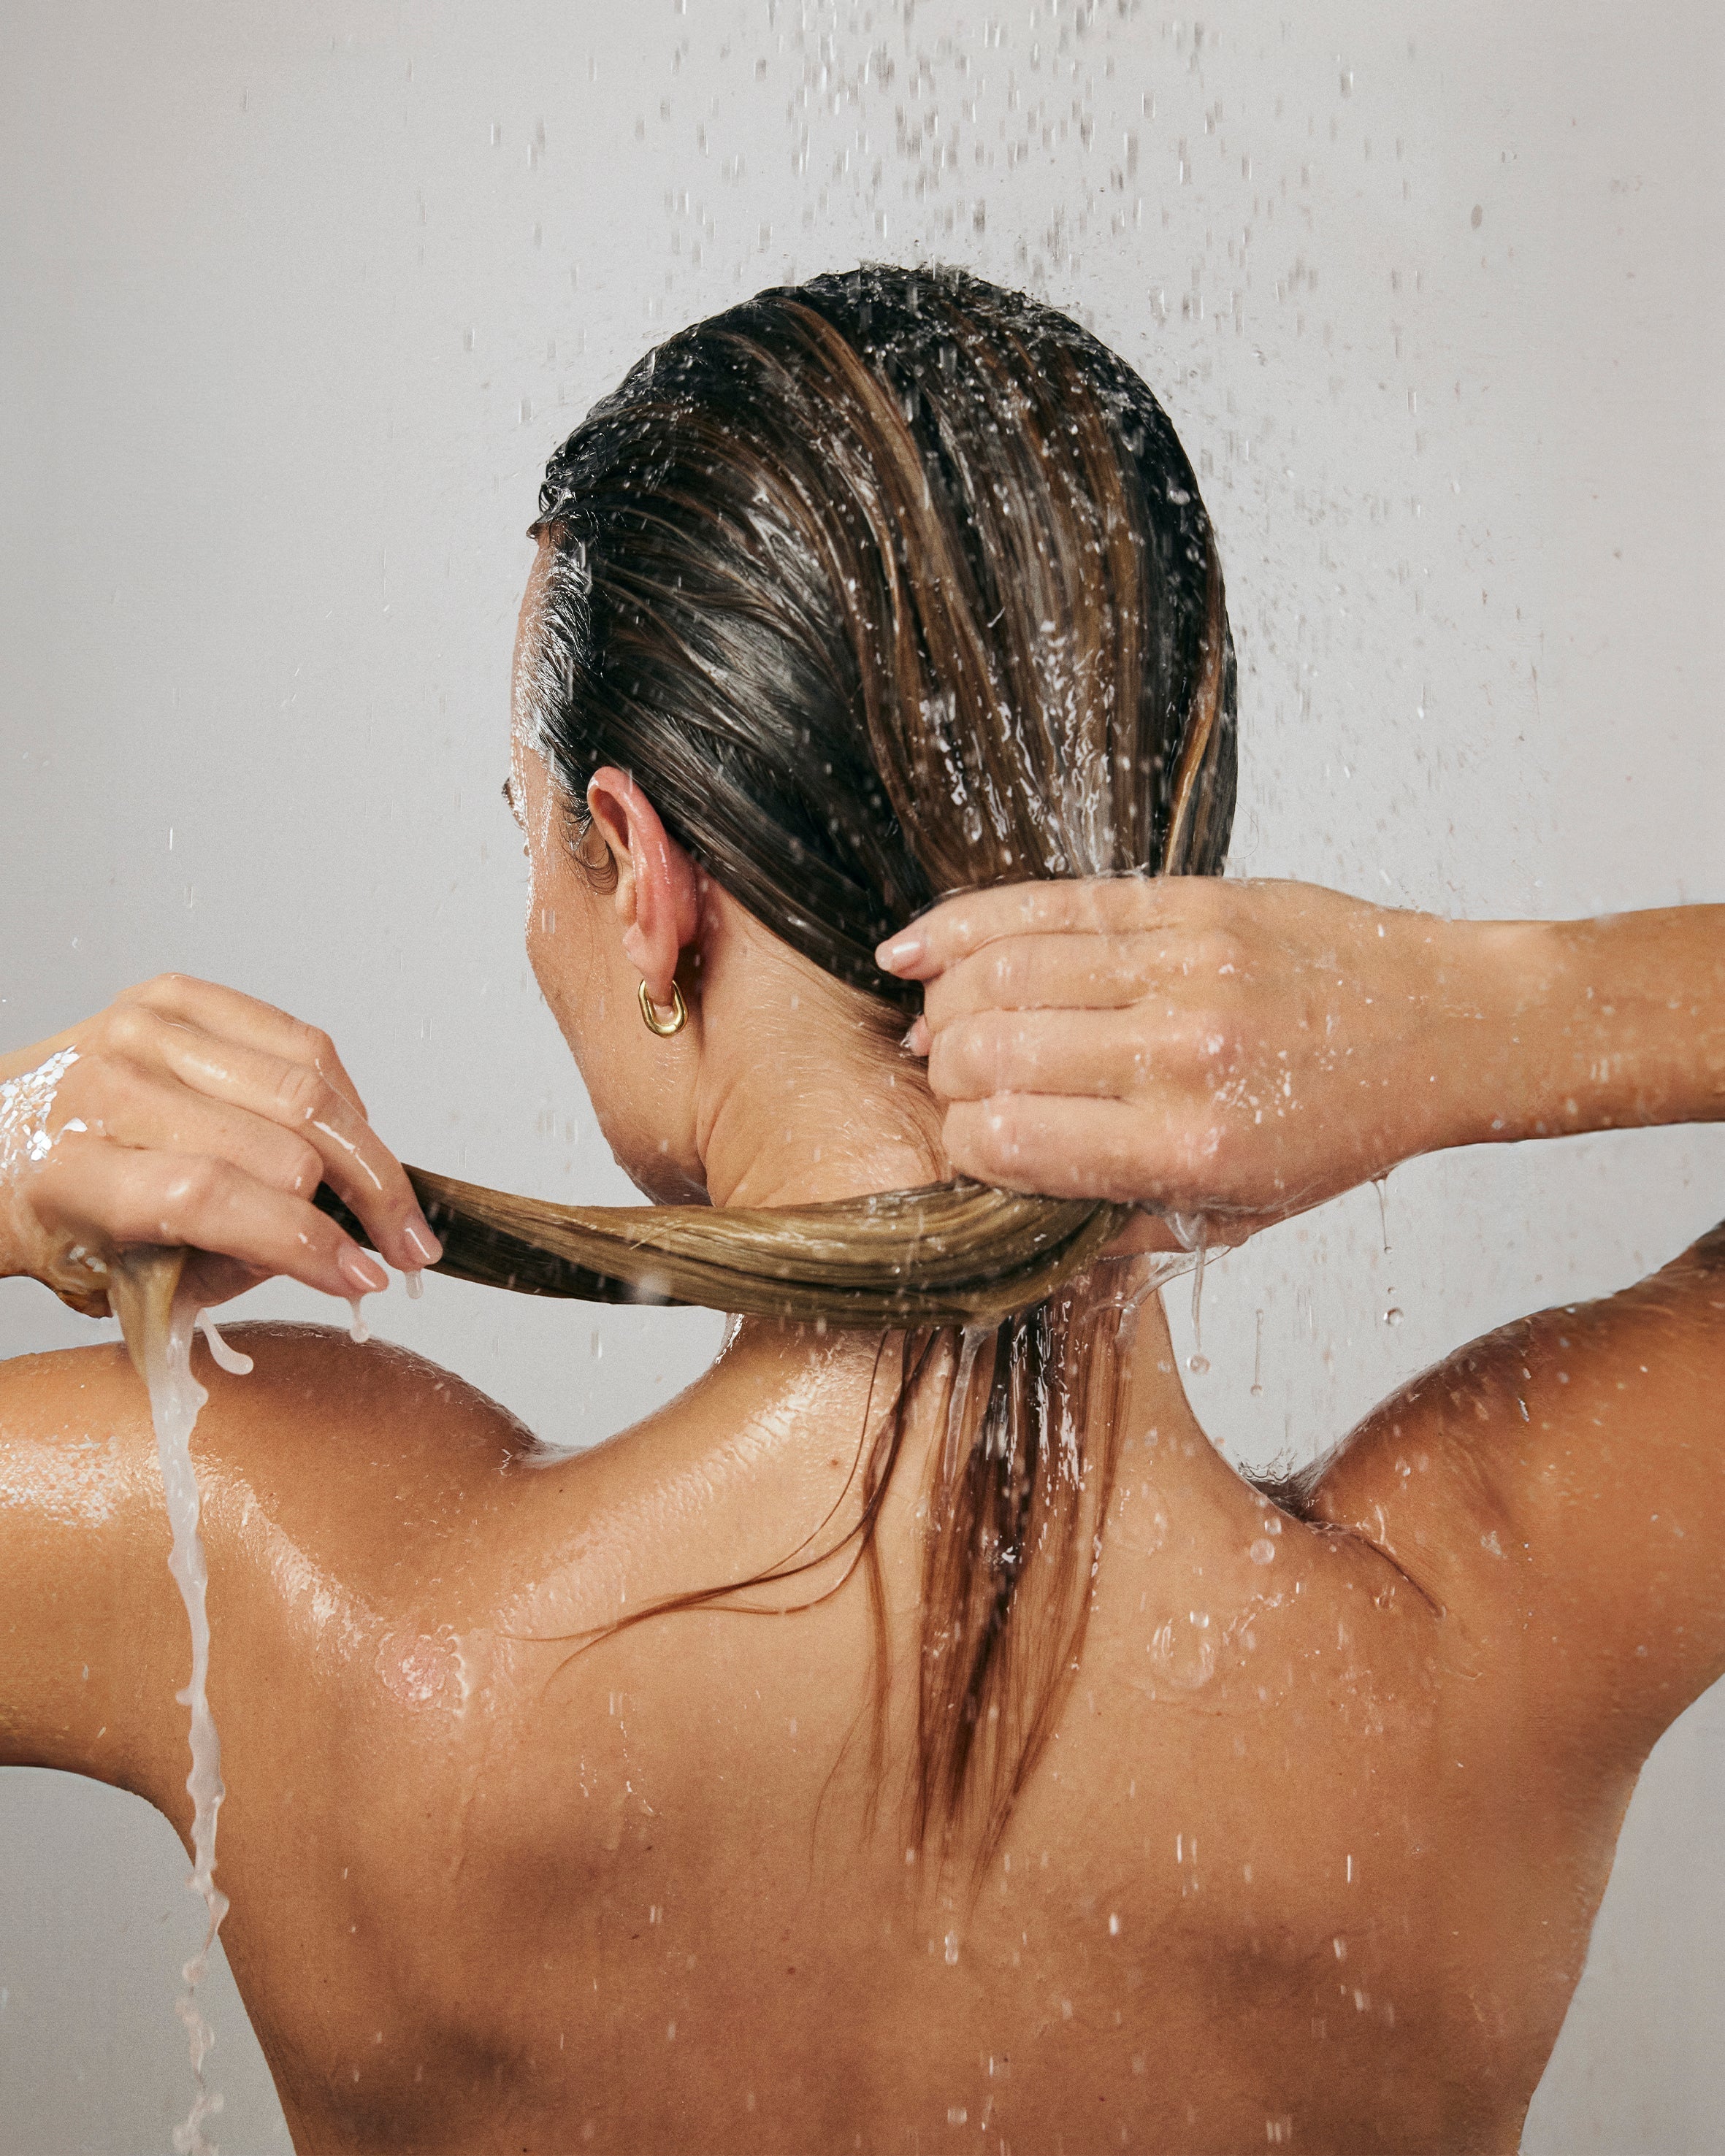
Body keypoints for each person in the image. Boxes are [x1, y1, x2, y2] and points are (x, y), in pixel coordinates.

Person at [0, 265, 1719, 2155]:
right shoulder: (1484, 1638)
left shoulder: (279, 1573)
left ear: (644, 880)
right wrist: (1495, 1010)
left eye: (531, 840)